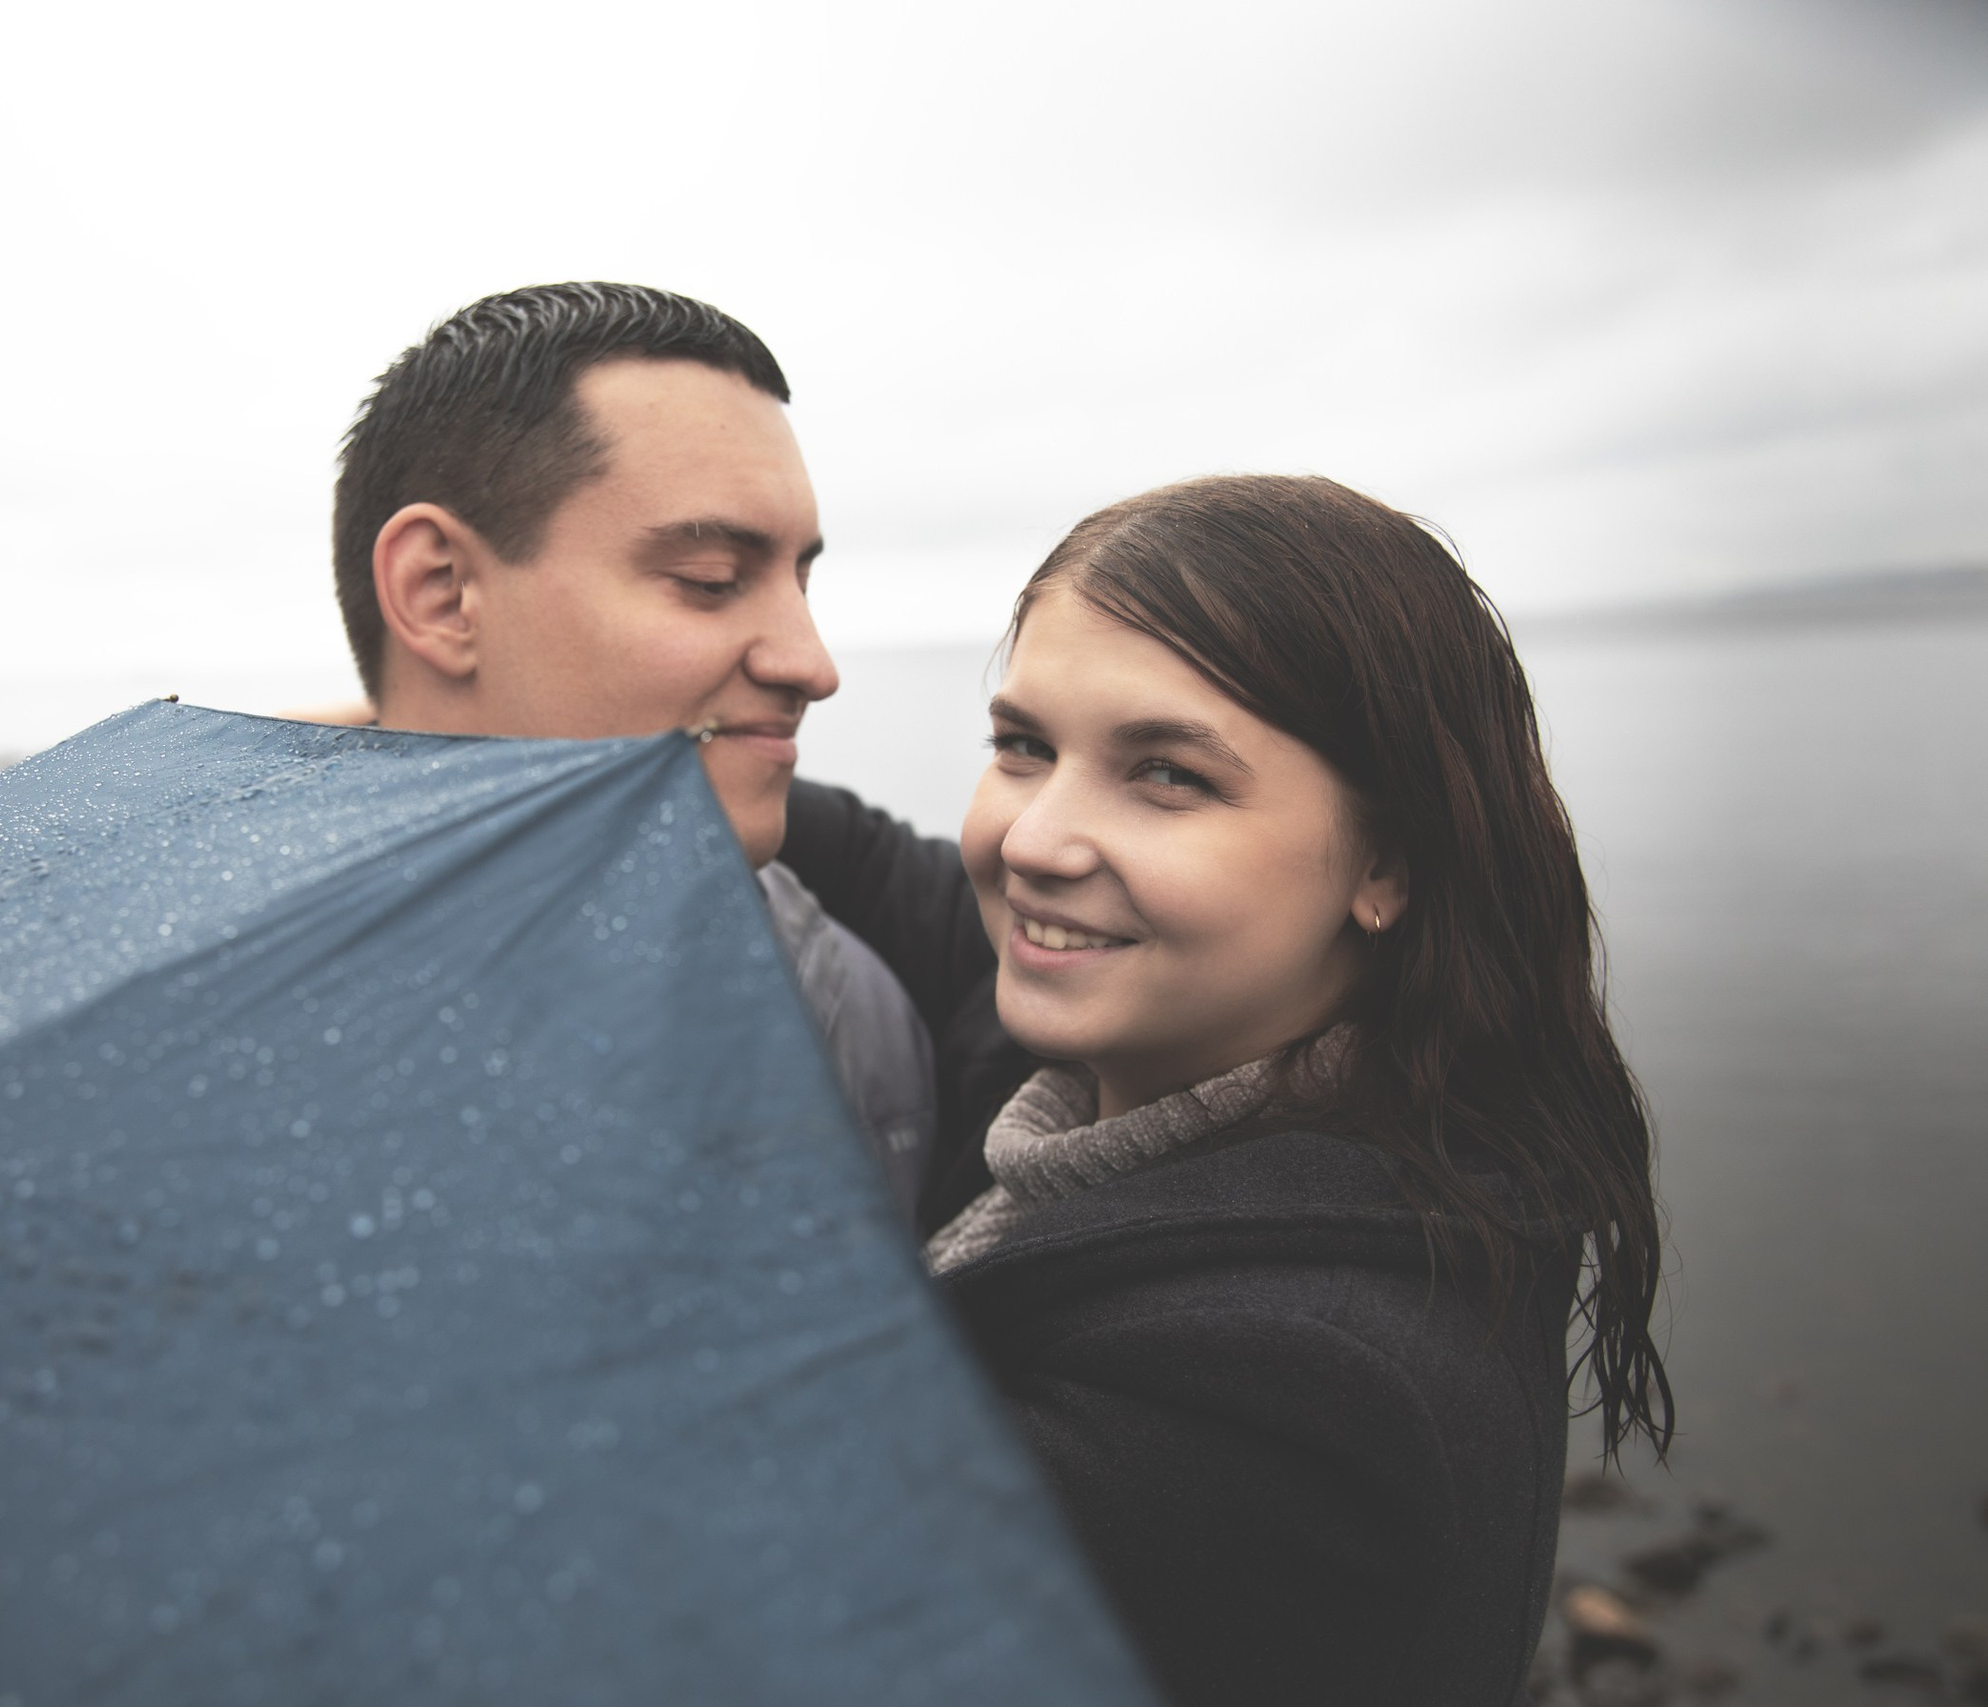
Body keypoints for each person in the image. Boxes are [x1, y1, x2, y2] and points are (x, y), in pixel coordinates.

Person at [778, 476, 1673, 1706]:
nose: (1034, 840)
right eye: (1023, 747)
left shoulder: (1285, 1394)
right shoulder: (1143, 1087)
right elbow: (877, 864)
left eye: (1168, 777)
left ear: (1387, 862)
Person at [325, 281, 936, 1214]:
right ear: (443, 593)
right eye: (712, 580)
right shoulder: (226, 1030)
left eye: (800, 581)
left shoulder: (846, 999)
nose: (813, 664)